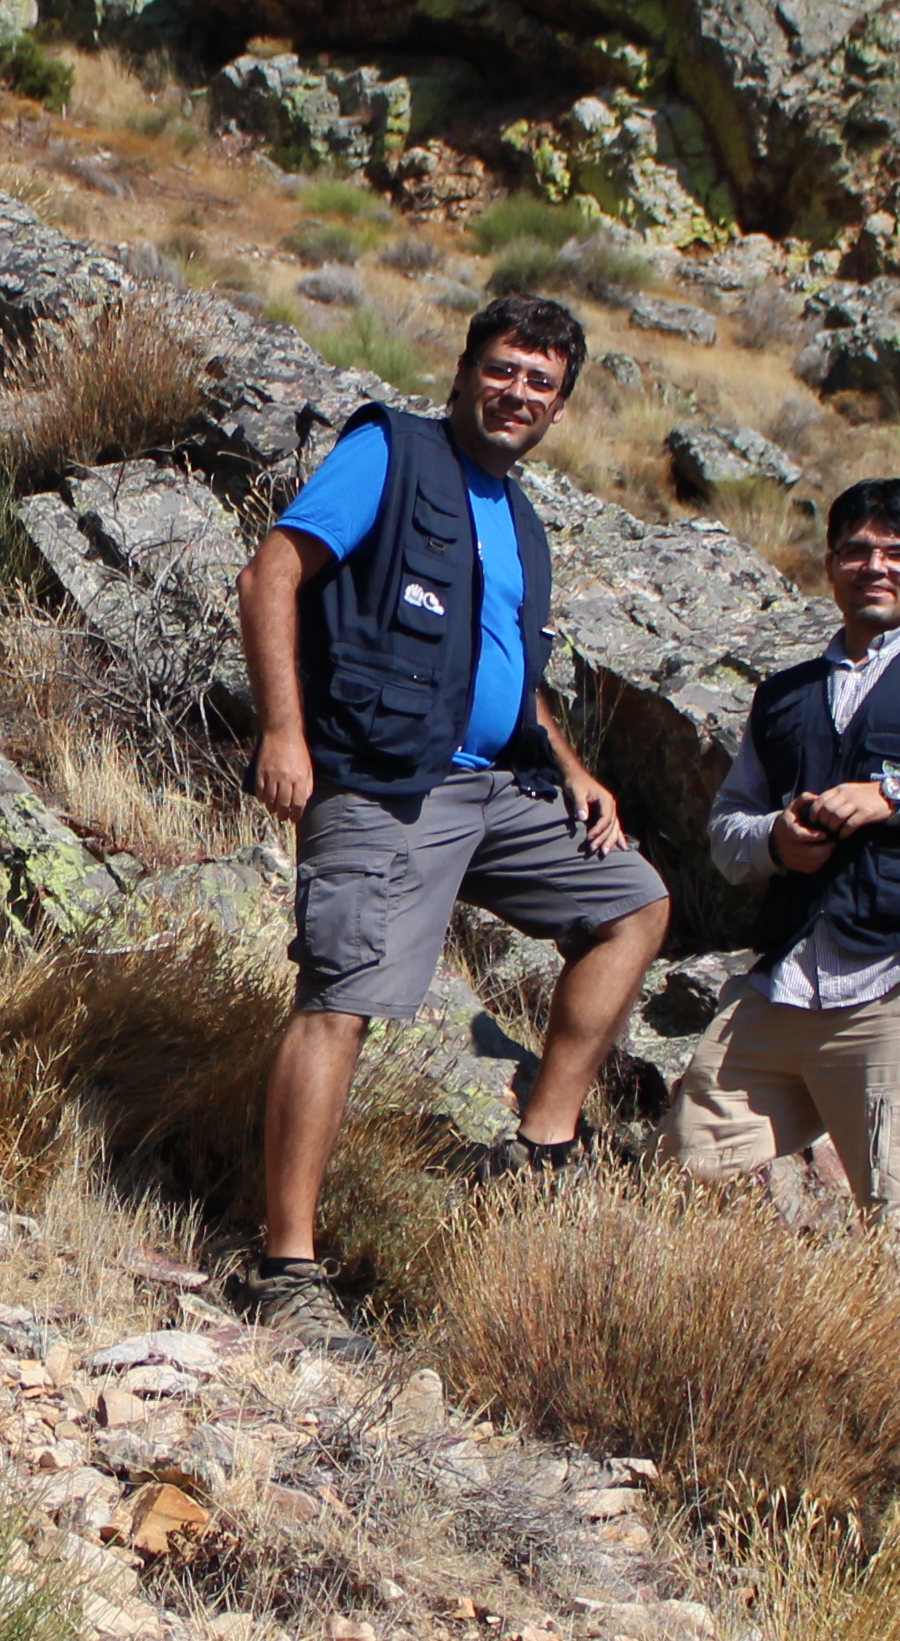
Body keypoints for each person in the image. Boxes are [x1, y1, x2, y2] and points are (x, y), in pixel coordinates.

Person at [235, 292, 671, 1352]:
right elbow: (272, 574)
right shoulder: (394, 452)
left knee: (634, 901)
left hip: (495, 788)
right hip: (384, 781)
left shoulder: (518, 514)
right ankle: (284, 1267)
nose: (518, 392)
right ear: (468, 366)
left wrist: (572, 769)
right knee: (343, 996)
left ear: (559, 406)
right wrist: (284, 733)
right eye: (506, 368)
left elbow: (503, 673)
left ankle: (540, 1145)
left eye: (542, 382)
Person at [672, 476, 900, 1283]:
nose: (878, 566)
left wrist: (890, 795)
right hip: (787, 980)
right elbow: (728, 831)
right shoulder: (785, 695)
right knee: (692, 1165)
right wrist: (776, 841)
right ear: (831, 565)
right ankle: (733, 1351)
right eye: (859, 551)